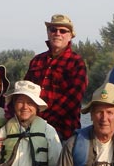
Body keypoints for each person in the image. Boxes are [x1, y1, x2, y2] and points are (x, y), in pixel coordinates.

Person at [24, 14, 87, 142]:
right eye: (53, 30)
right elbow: (25, 92)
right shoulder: (36, 61)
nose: (57, 33)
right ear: (48, 33)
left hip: (64, 132)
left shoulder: (77, 63)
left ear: (70, 36)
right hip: (32, 128)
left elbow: (72, 99)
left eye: (63, 31)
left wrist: (42, 119)